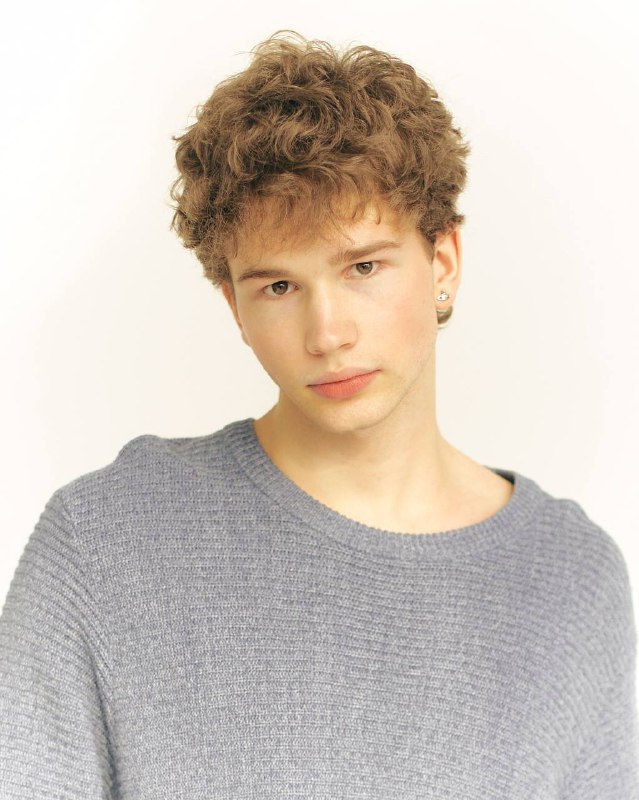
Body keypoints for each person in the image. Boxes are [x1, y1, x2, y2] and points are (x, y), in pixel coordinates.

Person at [0, 30, 637, 800]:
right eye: (278, 287)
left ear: (442, 263)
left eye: (362, 267)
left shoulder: (569, 577)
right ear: (233, 306)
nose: (326, 334)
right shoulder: (106, 540)